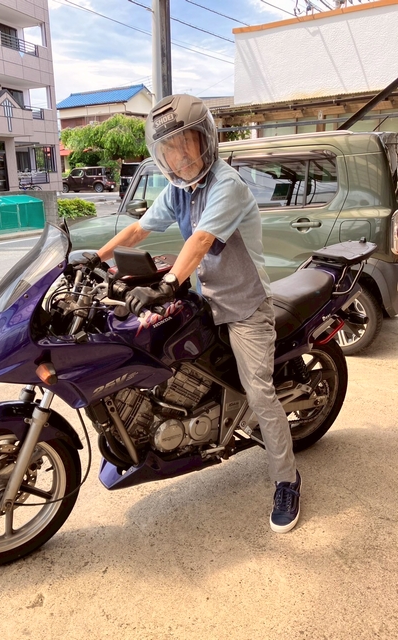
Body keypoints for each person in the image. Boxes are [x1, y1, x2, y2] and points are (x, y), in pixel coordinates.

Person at [84, 94, 301, 533]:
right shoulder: (179, 191)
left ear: (206, 140)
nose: (180, 156)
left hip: (245, 306)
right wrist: (94, 258)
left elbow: (200, 242)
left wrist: (166, 284)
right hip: (205, 301)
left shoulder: (227, 185)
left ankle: (287, 479)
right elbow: (139, 228)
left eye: (187, 143)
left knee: (259, 393)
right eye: (170, 148)